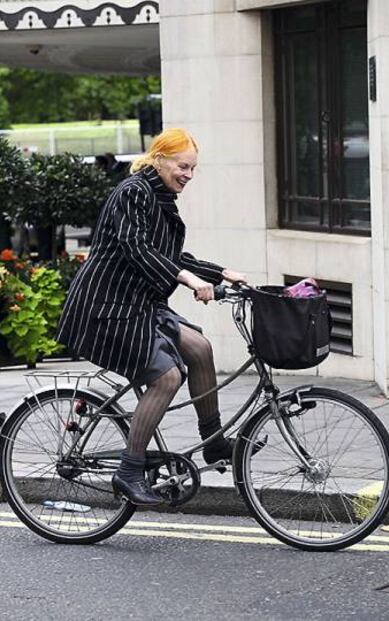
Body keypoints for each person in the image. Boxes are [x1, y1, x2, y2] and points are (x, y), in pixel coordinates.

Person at [56, 128, 247, 506]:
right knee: (166, 377)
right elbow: (136, 248)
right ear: (159, 158)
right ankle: (129, 471)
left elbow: (171, 256)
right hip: (107, 308)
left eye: (193, 168)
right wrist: (190, 281)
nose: (189, 175)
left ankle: (213, 442)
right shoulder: (132, 193)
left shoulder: (160, 199)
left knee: (200, 347)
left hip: (138, 305)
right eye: (183, 166)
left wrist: (220, 273)